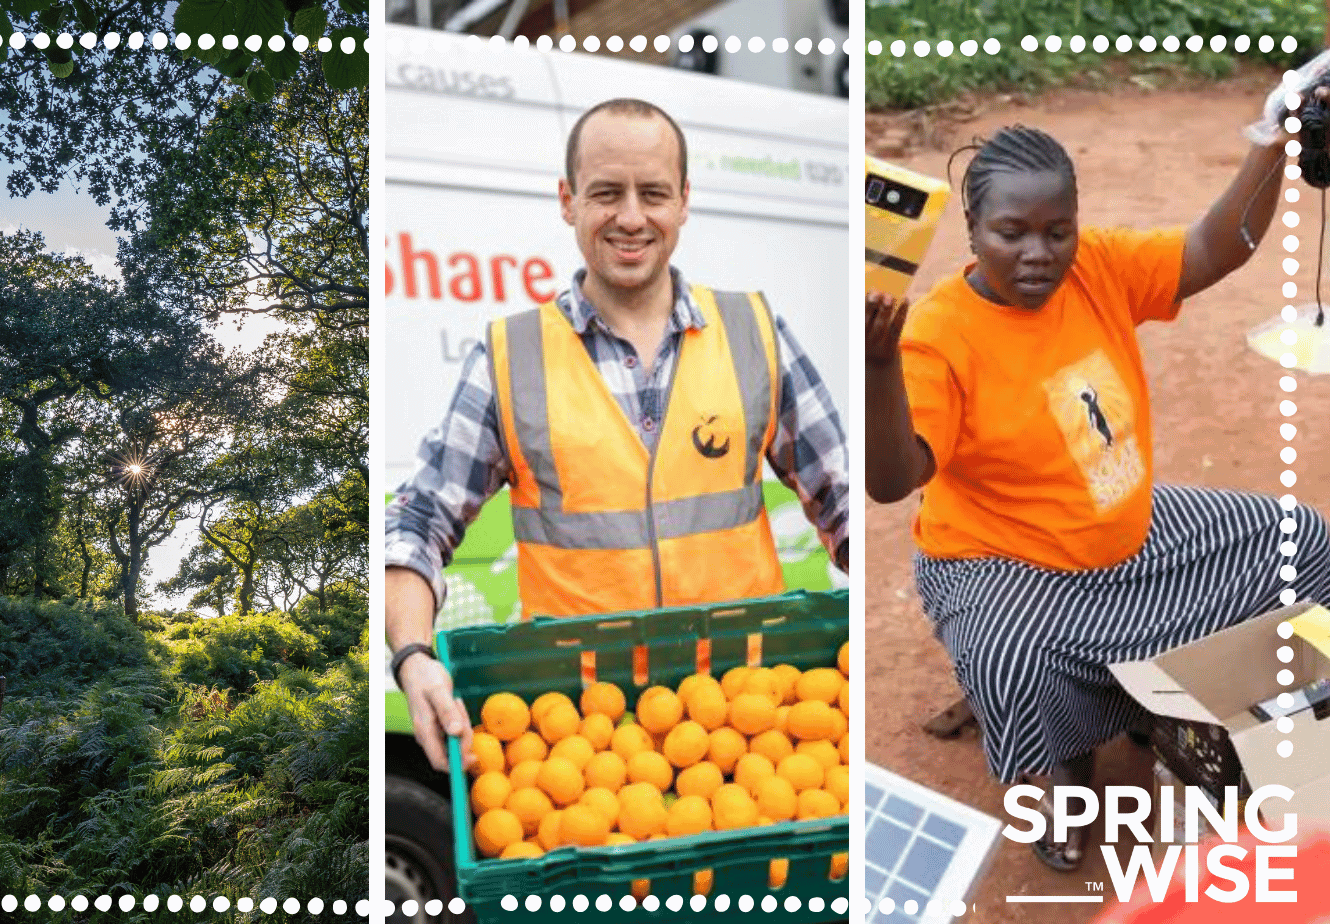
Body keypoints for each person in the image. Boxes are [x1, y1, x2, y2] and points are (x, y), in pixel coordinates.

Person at [865, 60, 1330, 872]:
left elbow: (1220, 247)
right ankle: (1066, 778)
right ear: (974, 229)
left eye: (1057, 229)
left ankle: (1183, 702)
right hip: (1002, 561)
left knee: (1299, 537)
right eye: (1012, 232)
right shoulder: (940, 331)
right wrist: (877, 371)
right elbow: (891, 478)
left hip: (1134, 532)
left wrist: (1276, 132)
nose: (1038, 253)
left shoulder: (1099, 269)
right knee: (1012, 653)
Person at [384, 97, 851, 773]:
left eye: (653, 193)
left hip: (747, 726)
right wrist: (412, 655)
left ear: (684, 201)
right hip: (581, 736)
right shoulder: (509, 358)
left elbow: (843, 503)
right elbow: (417, 521)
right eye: (607, 192)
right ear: (568, 200)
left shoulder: (753, 333)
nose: (631, 216)